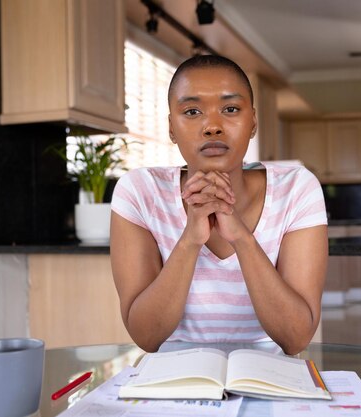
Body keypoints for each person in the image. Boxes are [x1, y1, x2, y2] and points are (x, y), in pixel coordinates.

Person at [110, 55, 328, 355]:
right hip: (173, 382)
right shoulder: (139, 191)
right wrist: (190, 240)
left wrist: (241, 237)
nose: (212, 126)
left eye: (230, 109)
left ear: (252, 122)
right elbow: (146, 337)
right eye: (192, 111)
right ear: (171, 128)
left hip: (267, 378)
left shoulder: (297, 188)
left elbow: (296, 337)